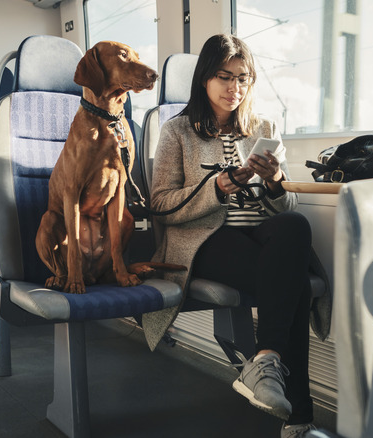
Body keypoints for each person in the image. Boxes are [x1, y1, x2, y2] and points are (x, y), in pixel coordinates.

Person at [148, 33, 317, 438]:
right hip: (205, 240)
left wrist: (275, 180)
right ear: (204, 78)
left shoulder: (264, 127)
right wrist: (218, 188)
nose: (234, 88)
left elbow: (285, 206)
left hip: (260, 238)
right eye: (225, 77)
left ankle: (265, 359)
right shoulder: (177, 132)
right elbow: (160, 204)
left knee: (296, 225)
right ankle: (298, 415)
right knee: (295, 284)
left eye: (243, 79)